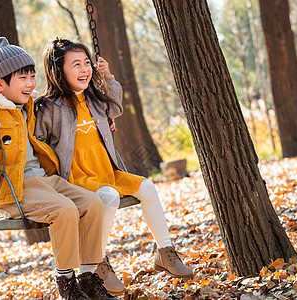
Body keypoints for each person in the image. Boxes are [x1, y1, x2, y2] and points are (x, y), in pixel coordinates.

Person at [35, 38, 194, 295]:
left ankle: (165, 251)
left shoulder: (93, 98)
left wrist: (108, 78)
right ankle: (97, 260)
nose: (84, 69)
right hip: (76, 180)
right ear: (58, 71)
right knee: (108, 198)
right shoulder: (50, 108)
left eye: (87, 63)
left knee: (148, 187)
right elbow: (38, 142)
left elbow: (115, 107)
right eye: (76, 64)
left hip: (108, 171)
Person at [0, 37, 116, 300]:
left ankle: (88, 277)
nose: (30, 83)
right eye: (22, 78)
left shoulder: (29, 107)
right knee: (65, 210)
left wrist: (104, 122)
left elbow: (62, 119)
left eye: (32, 76)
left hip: (45, 181)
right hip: (13, 188)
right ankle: (66, 283)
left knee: (93, 203)